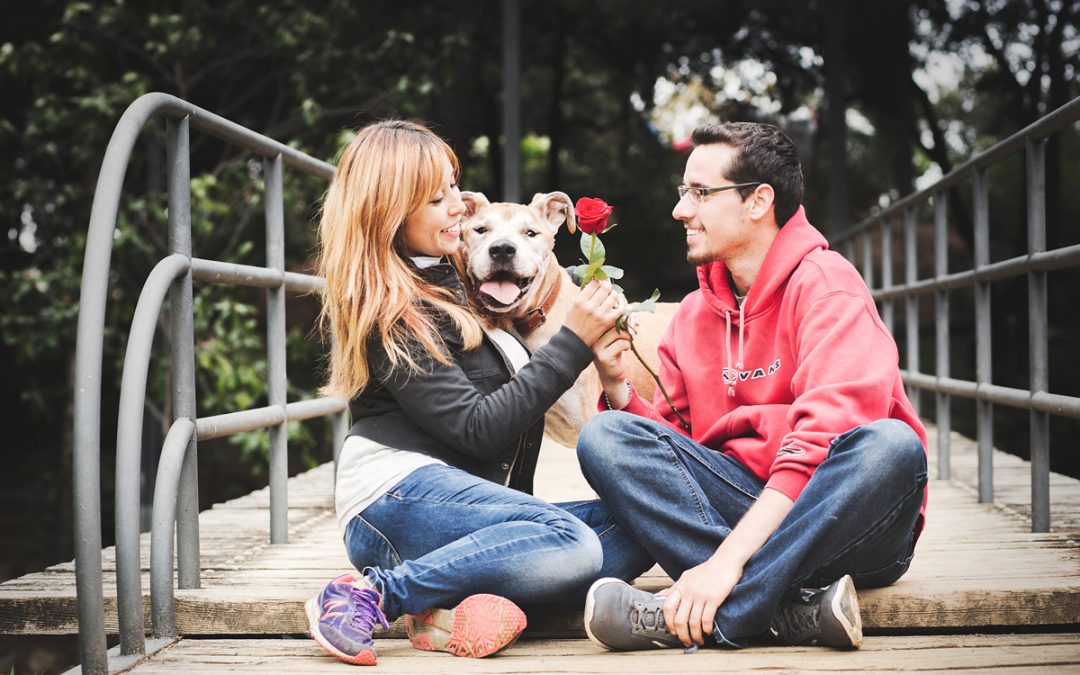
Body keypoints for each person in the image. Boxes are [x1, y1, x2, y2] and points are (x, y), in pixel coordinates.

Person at [307, 119, 653, 666]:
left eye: (454, 191)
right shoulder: (393, 306)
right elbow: (478, 430)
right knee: (574, 543)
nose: (458, 208)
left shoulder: (460, 284)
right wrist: (572, 343)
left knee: (646, 518)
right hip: (395, 502)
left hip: (465, 504)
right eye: (438, 199)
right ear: (391, 210)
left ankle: (456, 601)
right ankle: (374, 594)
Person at [578, 122, 928, 652]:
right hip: (744, 501)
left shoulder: (828, 287)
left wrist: (723, 564)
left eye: (700, 193)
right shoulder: (696, 314)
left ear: (758, 200)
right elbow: (677, 453)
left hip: (844, 519)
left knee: (891, 448)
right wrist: (616, 383)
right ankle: (784, 611)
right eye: (682, 192)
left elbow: (821, 446)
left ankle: (722, 613)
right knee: (606, 435)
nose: (681, 210)